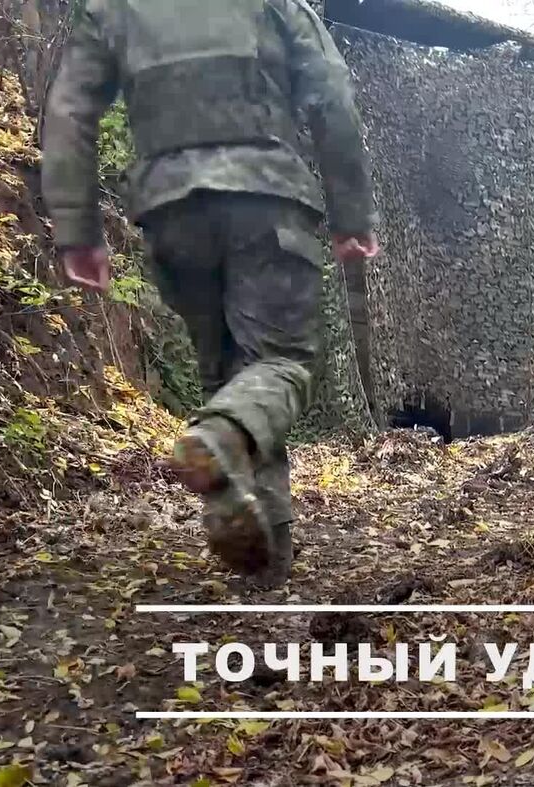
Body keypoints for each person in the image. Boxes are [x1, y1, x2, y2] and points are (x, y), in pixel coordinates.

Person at [41, 0, 380, 587]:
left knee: (233, 379)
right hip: (267, 200)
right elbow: (331, 93)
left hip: (171, 214)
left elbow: (69, 110)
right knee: (279, 364)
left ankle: (265, 556)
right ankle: (221, 440)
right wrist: (351, 213)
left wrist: (76, 231)